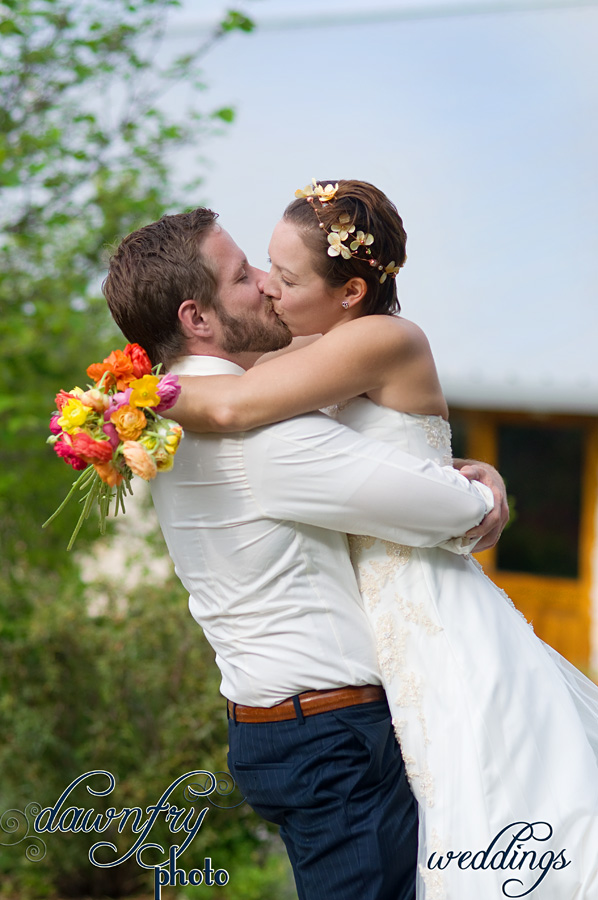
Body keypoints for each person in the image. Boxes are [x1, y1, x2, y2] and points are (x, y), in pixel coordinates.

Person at [169, 181, 598, 899]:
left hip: (429, 607)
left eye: (287, 276)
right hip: (375, 633)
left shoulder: (379, 337)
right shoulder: (306, 344)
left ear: (351, 291)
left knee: (486, 813)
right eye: (263, 268)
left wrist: (131, 398)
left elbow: (238, 404)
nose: (268, 289)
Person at [102, 206, 507, 900]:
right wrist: (483, 490)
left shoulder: (166, 421)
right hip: (331, 740)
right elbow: (444, 509)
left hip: (291, 731)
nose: (266, 284)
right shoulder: (264, 438)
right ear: (197, 318)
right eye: (243, 276)